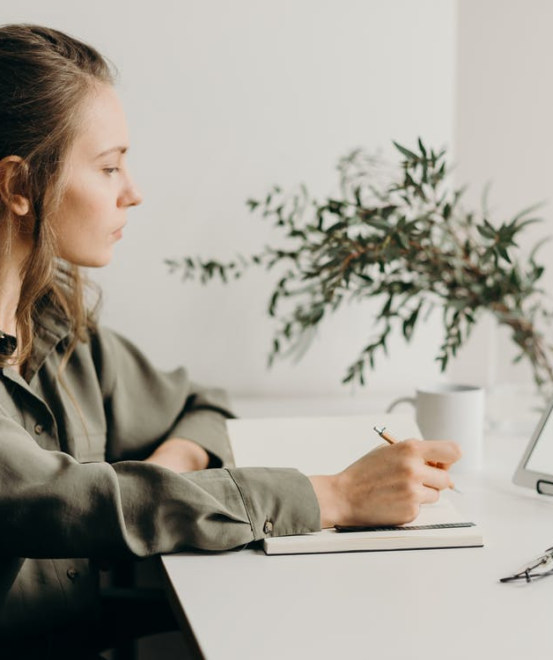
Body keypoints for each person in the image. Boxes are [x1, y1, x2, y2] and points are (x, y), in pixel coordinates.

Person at [0, 23, 462, 657]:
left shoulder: (59, 329)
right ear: (20, 187)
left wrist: (166, 475)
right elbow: (85, 504)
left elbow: (202, 406)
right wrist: (338, 496)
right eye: (109, 167)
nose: (133, 192)